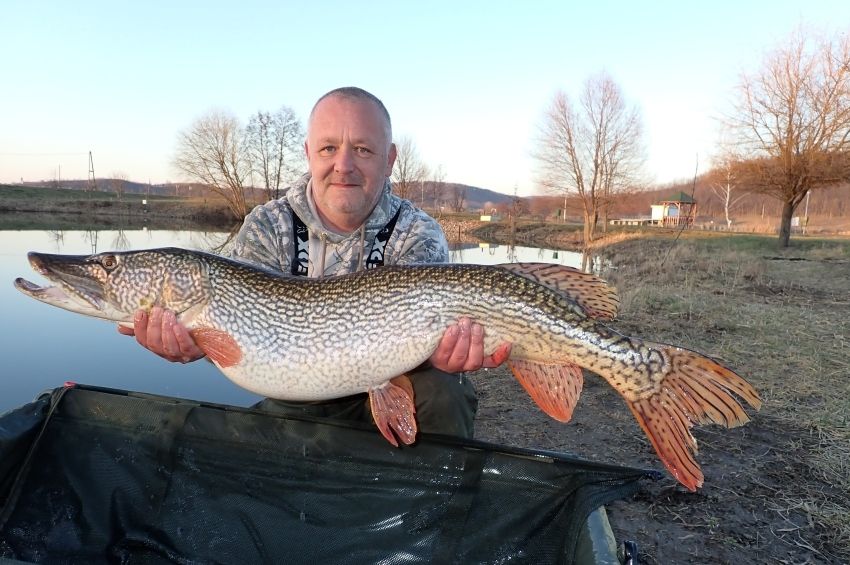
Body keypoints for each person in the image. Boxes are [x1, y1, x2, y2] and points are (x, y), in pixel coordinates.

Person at [119, 86, 511, 438]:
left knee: (445, 389)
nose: (343, 165)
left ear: (389, 159)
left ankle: (427, 507)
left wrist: (445, 357)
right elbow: (242, 343)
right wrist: (194, 345)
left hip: (394, 383)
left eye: (362, 149)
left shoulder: (417, 233)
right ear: (308, 153)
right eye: (328, 148)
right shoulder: (268, 226)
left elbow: (431, 343)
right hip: (297, 400)